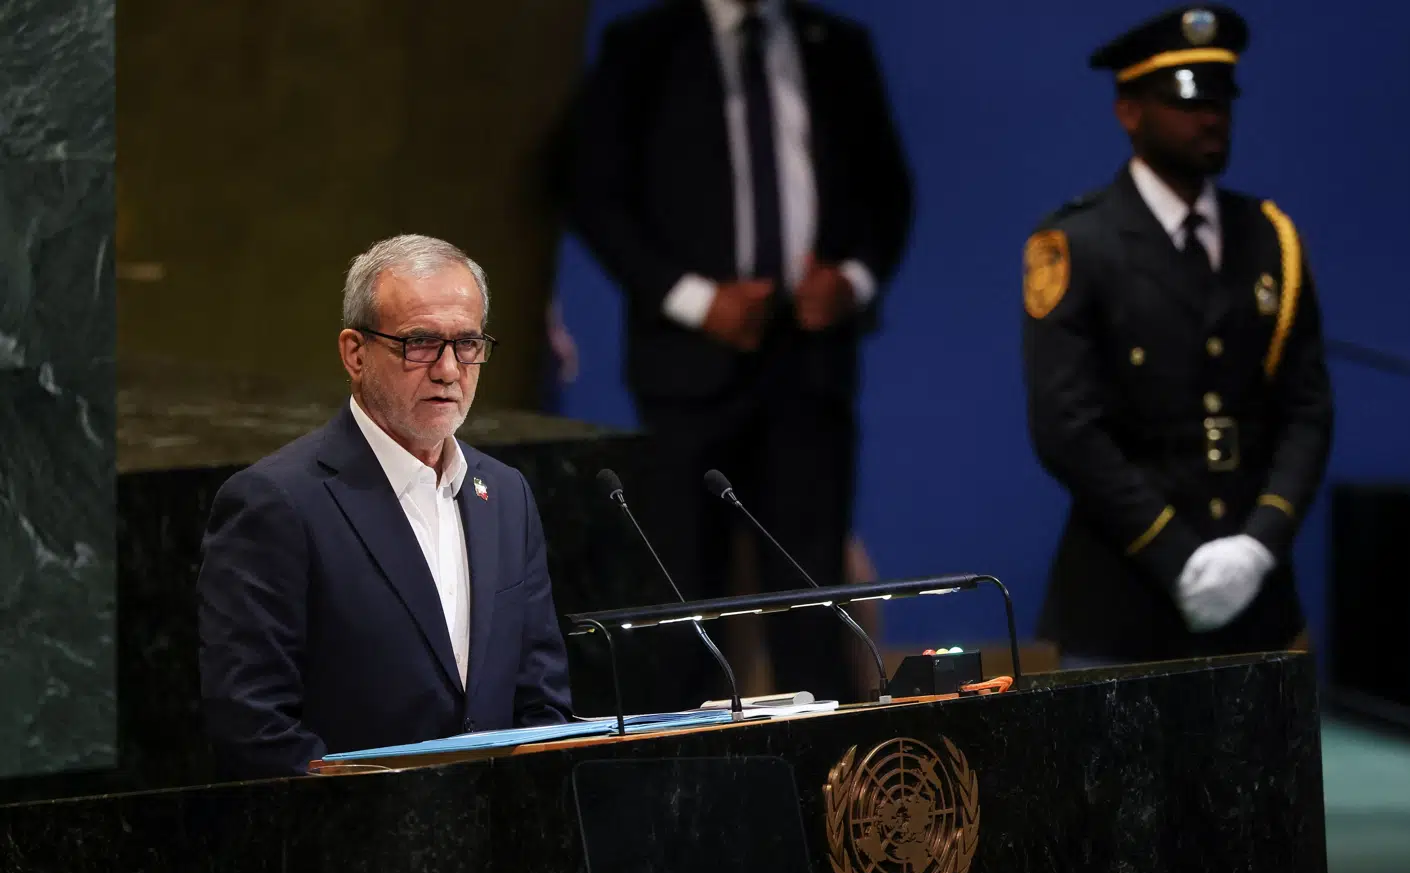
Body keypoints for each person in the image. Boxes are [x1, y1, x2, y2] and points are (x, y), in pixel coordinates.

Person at [562, 0, 912, 707]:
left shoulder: (836, 45)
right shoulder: (646, 46)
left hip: (810, 367)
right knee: (685, 612)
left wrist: (853, 280)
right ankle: (685, 803)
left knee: (815, 605)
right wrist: (698, 300)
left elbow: (891, 192)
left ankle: (828, 795)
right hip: (688, 371)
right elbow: (594, 193)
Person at [1021, 6, 1334, 667]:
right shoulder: (1077, 243)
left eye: (1221, 97)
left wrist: (1259, 543)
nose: (1210, 116)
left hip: (1257, 602)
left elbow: (1308, 407)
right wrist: (1175, 552)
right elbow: (1065, 426)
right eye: (1186, 98)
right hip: (1124, 596)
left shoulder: (1271, 237)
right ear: (1128, 111)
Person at [197, 235, 572, 778]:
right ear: (354, 352)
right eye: (419, 343)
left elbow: (542, 697)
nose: (448, 369)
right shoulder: (276, 503)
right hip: (352, 848)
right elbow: (253, 727)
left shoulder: (505, 494)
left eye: (467, 343)